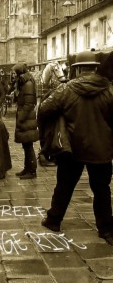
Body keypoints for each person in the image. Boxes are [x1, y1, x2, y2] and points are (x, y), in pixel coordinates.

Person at [38, 50, 113, 246]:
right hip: (102, 150)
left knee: (64, 186)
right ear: (95, 68)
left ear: (77, 69)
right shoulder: (109, 90)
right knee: (102, 190)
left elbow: (44, 109)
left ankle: (54, 220)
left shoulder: (66, 90)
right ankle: (106, 230)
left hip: (72, 150)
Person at [12, 62, 39, 179]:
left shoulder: (27, 84)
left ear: (19, 72)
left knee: (28, 145)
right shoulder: (23, 83)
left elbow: (29, 103)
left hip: (27, 118)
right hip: (25, 117)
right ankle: (27, 168)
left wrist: (21, 117)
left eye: (13, 73)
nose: (12, 75)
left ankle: (32, 171)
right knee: (26, 145)